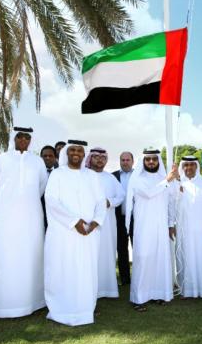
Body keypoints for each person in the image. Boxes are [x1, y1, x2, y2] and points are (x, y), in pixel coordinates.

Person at [0, 127, 48, 319]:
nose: (23, 140)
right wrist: (5, 202)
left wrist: (26, 201)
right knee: (2, 256)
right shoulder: (0, 159)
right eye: (20, 137)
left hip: (31, 218)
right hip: (4, 218)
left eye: (27, 137)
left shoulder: (37, 161)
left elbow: (41, 186)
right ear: (14, 138)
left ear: (30, 140)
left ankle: (32, 302)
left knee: (30, 256)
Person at [44, 140, 106, 326]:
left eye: (79, 150)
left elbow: (101, 202)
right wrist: (74, 222)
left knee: (86, 270)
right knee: (63, 269)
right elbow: (52, 201)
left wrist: (95, 222)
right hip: (64, 233)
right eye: (72, 150)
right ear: (66, 153)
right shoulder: (57, 174)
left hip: (89, 233)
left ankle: (86, 308)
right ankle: (61, 309)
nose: (76, 153)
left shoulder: (92, 176)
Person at [125, 149, 177, 311]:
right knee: (144, 258)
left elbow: (171, 202)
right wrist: (168, 180)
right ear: (143, 161)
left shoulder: (164, 178)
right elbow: (148, 193)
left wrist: (170, 224)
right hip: (144, 226)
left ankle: (158, 294)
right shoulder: (138, 179)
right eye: (148, 159)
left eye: (154, 159)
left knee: (160, 259)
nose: (151, 162)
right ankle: (138, 298)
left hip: (161, 227)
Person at [174, 156, 202, 299]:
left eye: (192, 165)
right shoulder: (177, 184)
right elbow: (171, 206)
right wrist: (170, 225)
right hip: (184, 229)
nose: (189, 168)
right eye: (186, 165)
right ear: (182, 167)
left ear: (197, 167)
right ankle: (186, 290)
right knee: (185, 257)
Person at [86, 148, 125, 298]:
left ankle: (107, 288)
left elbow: (121, 195)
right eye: (96, 157)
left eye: (103, 157)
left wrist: (111, 202)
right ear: (90, 158)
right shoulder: (84, 176)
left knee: (107, 252)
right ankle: (89, 288)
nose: (99, 160)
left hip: (107, 223)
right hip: (88, 220)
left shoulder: (110, 178)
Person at [112, 152, 134, 286]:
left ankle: (138, 277)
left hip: (136, 218)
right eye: (122, 160)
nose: (125, 162)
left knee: (138, 247)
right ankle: (125, 279)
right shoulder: (113, 176)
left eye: (127, 160)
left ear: (132, 161)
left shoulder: (139, 175)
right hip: (119, 218)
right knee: (121, 249)